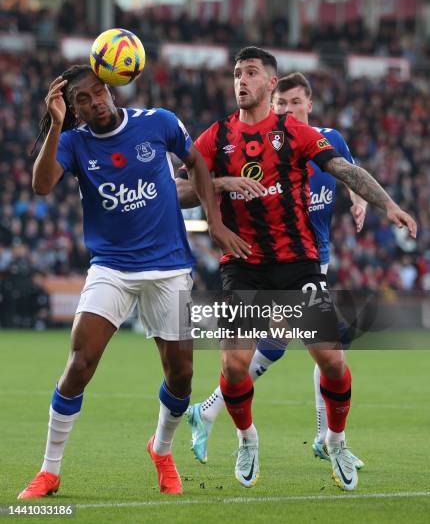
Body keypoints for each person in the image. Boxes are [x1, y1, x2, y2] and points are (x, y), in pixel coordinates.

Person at [176, 46, 416, 491]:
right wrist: (221, 185)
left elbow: (344, 169)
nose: (240, 81)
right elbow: (178, 188)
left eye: (250, 73)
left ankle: (337, 442)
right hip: (243, 266)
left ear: (270, 83)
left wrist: (389, 205)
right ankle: (248, 440)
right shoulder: (216, 137)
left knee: (331, 359)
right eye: (236, 73)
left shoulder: (295, 132)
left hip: (298, 265)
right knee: (233, 366)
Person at [18, 64, 250, 500]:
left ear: (110, 87)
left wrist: (215, 224)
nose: (94, 102)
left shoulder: (158, 123)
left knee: (181, 376)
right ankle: (49, 471)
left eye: (98, 92)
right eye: (81, 101)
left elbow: (196, 163)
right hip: (112, 268)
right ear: (75, 111)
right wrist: (53, 124)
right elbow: (42, 184)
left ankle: (161, 450)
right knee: (79, 365)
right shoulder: (72, 142)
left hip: (169, 266)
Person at [185, 71, 368, 471]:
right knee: (326, 345)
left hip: (311, 260)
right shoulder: (272, 146)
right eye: (281, 104)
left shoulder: (327, 141)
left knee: (289, 346)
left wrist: (360, 200)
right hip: (278, 263)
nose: (287, 110)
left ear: (310, 104)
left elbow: (349, 172)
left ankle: (210, 411)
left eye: (295, 103)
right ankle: (325, 437)